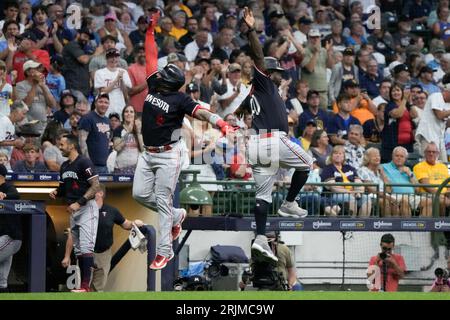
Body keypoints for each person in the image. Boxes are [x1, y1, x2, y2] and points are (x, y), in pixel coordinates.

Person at [132, 11, 235, 270]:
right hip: (149, 153)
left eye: (163, 75)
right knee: (140, 194)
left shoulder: (181, 99)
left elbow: (202, 112)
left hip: (169, 154)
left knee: (164, 202)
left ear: (169, 82)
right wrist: (149, 32)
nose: (158, 75)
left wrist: (221, 123)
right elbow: (151, 58)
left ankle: (164, 252)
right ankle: (178, 215)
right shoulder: (156, 85)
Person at [238, 7, 312, 263]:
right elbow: (259, 56)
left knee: (263, 196)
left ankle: (260, 237)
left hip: (257, 146)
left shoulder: (264, 92)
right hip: (271, 140)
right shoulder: (264, 81)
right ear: (269, 72)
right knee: (307, 163)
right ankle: (289, 203)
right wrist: (251, 32)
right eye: (277, 71)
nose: (281, 75)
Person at [61, 184, 144, 292]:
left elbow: (125, 224)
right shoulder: (82, 210)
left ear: (100, 193)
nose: (88, 194)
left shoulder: (111, 210)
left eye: (92, 191)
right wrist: (67, 256)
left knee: (98, 288)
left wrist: (135, 223)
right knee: (82, 286)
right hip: (85, 254)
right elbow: (73, 234)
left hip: (104, 254)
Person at [49, 134, 101, 292]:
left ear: (71, 146)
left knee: (86, 247)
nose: (60, 147)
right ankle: (82, 286)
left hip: (86, 208)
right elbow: (64, 187)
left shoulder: (84, 161)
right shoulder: (64, 166)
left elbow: (96, 186)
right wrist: (56, 192)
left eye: (62, 144)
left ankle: (86, 287)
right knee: (78, 249)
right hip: (73, 210)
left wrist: (80, 202)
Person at [78, 93, 111, 174]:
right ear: (95, 103)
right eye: (101, 102)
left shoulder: (108, 121)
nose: (103, 104)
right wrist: (88, 163)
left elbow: (108, 141)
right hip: (91, 165)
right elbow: (81, 142)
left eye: (106, 102)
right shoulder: (88, 118)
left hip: (105, 165)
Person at [0, 163, 21, 293]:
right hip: (3, 239)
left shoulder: (8, 187)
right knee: (2, 280)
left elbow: (15, 194)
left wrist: (4, 195)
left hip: (10, 237)